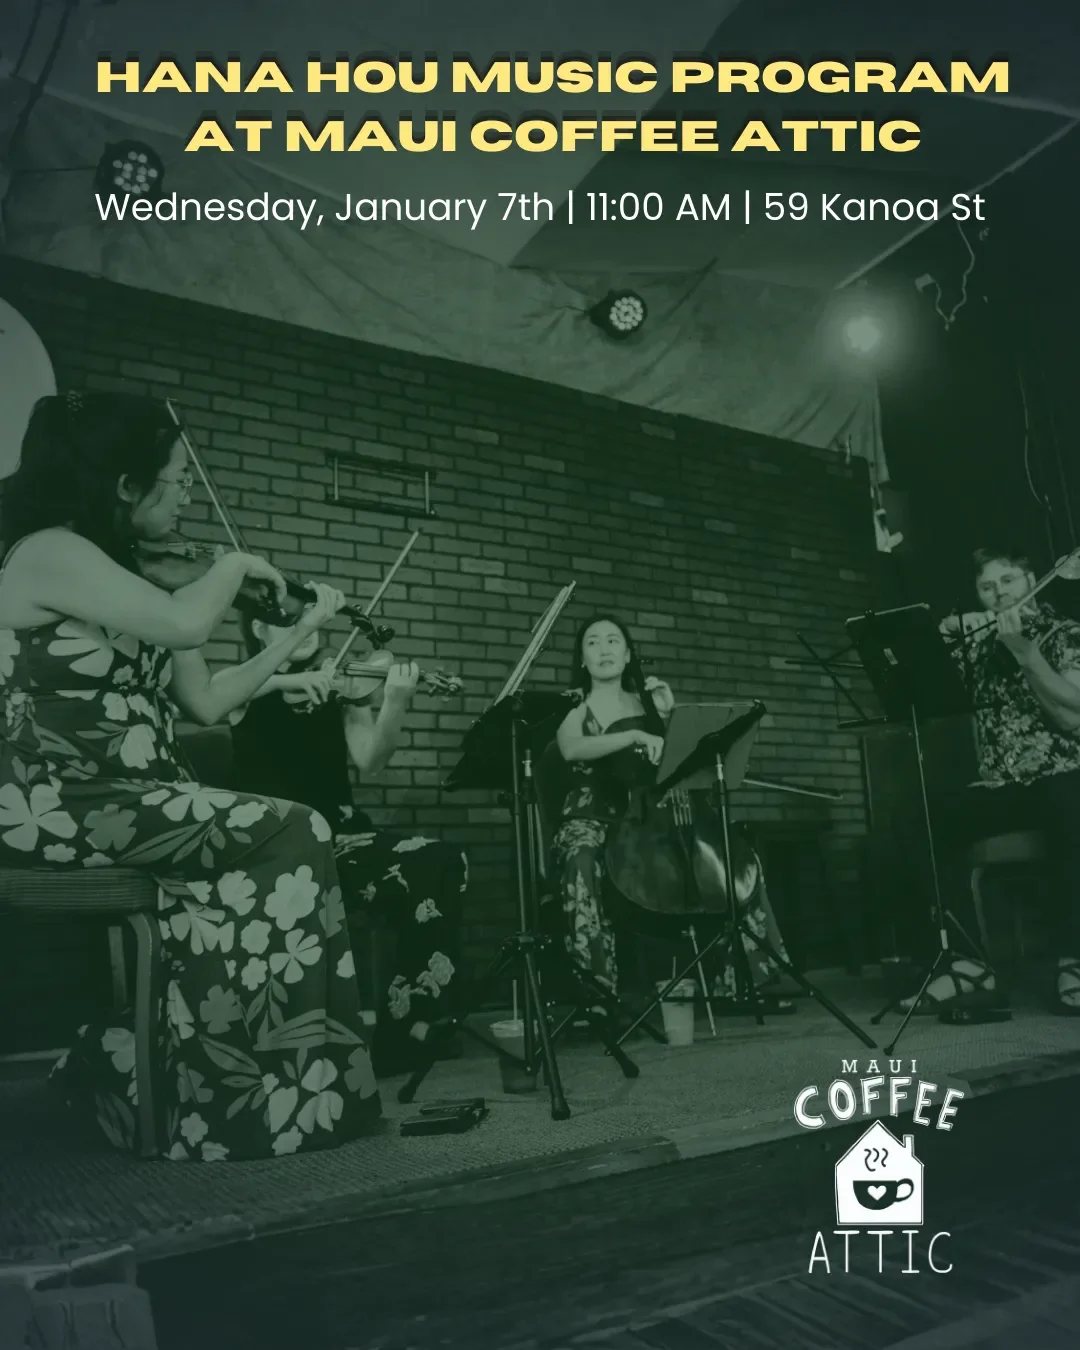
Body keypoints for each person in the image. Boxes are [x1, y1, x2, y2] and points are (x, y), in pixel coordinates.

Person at [0, 390, 380, 1160]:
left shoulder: (134, 571)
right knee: (295, 829)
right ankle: (255, 1099)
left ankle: (172, 1079)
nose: (187, 497)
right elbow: (185, 624)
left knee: (248, 868)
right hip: (68, 800)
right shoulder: (47, 551)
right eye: (176, 480)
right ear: (124, 485)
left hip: (147, 800)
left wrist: (301, 631)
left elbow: (206, 700)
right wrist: (233, 564)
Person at [227, 615, 468, 1075]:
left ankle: (408, 1026)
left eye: (311, 617)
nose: (306, 627)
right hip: (274, 848)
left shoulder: (342, 690)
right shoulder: (243, 688)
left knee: (439, 859)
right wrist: (293, 679)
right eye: (290, 621)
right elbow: (215, 693)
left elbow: (371, 759)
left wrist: (394, 702)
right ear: (258, 628)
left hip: (342, 840)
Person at [551, 615, 791, 1005]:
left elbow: (677, 763)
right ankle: (596, 991)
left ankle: (745, 982)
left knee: (733, 857)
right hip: (592, 813)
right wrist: (632, 734)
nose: (604, 649)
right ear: (581, 658)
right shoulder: (573, 704)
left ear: (628, 654)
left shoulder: (646, 701)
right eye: (593, 642)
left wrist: (667, 714)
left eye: (613, 641)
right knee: (580, 858)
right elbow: (571, 748)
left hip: (649, 816)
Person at [928, 546, 1080, 1015]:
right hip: (1002, 785)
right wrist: (942, 637)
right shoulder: (978, 644)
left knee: (1071, 809)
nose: (998, 593)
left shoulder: (1065, 634)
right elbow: (935, 683)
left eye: (1008, 581)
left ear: (1031, 579)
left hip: (1061, 773)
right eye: (987, 586)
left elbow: (1074, 711)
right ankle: (968, 963)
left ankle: (1073, 959)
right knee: (932, 821)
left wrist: (1025, 653)